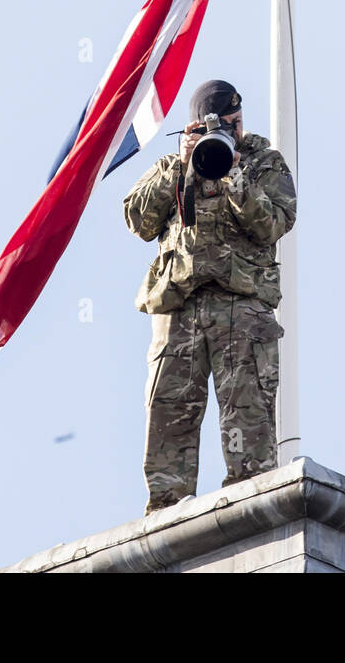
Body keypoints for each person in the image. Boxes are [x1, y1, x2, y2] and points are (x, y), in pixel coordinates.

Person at [123, 79, 297, 515]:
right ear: (191, 127)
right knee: (168, 416)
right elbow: (136, 220)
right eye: (220, 127)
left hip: (243, 308)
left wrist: (234, 171)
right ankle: (165, 519)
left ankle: (250, 515)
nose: (231, 133)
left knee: (249, 419)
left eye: (235, 124)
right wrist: (183, 166)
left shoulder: (263, 162)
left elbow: (275, 223)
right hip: (179, 310)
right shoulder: (174, 163)